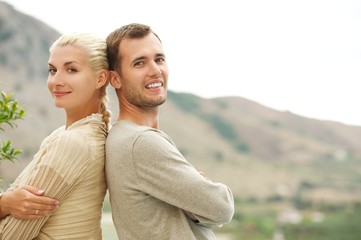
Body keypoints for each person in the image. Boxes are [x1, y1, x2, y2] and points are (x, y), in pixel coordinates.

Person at [105, 23, 235, 240]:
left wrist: (195, 206)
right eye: (139, 63)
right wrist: (206, 191)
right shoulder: (140, 142)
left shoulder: (125, 137)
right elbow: (221, 207)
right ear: (115, 78)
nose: (155, 70)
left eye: (159, 59)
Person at [0, 32, 110, 239]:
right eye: (52, 70)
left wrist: (4, 204)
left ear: (101, 78)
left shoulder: (73, 143)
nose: (56, 81)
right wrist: (5, 202)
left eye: (71, 69)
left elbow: (10, 236)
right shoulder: (74, 135)